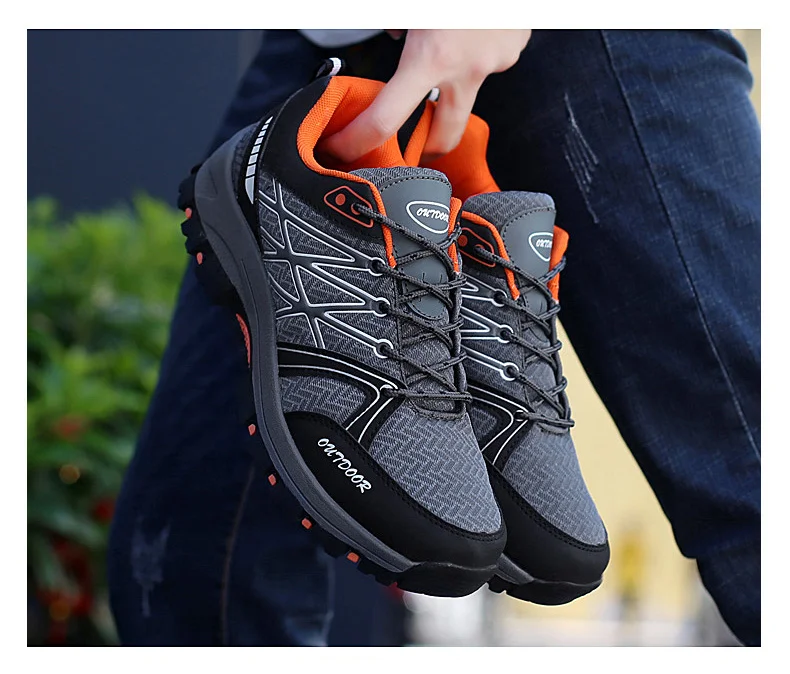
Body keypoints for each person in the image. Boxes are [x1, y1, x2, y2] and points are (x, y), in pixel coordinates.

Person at [107, 29, 760, 646]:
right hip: (335, 38)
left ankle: (442, 340)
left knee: (754, 484)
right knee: (196, 560)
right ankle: (326, 214)